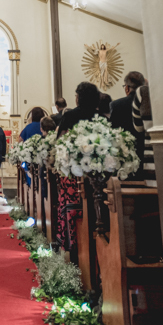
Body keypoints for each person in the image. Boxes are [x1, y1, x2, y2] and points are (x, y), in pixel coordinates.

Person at [55, 82, 101, 252]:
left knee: (74, 205)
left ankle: (72, 244)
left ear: (79, 98)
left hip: (74, 172)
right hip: (96, 172)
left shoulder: (70, 116)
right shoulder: (100, 117)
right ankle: (96, 244)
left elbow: (60, 142)